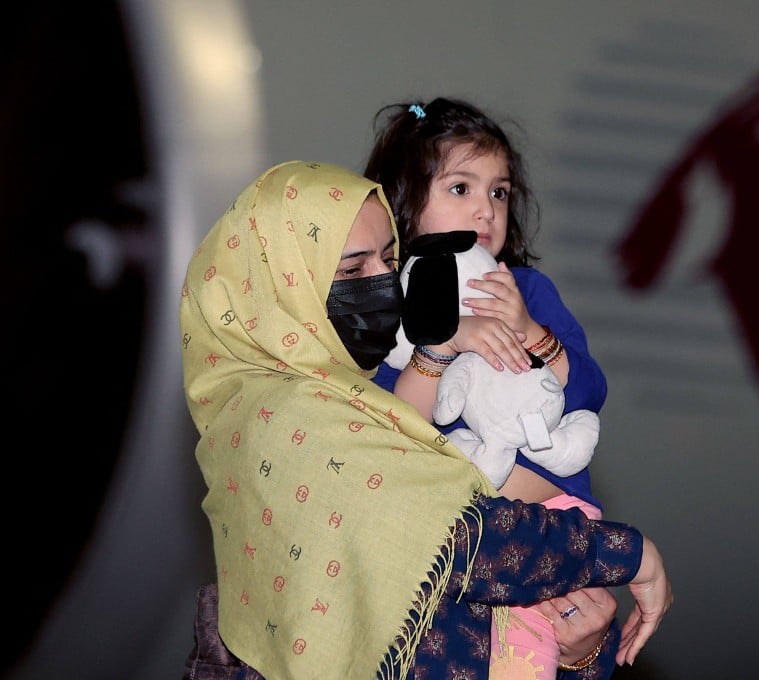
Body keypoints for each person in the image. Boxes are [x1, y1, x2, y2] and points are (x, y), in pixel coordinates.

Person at [179, 160, 672, 679]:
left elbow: (452, 629)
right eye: (352, 271)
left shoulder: (359, 399)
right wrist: (626, 553)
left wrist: (581, 656)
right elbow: (456, 539)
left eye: (388, 261)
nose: (382, 284)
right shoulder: (282, 416)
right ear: (280, 287)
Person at [365, 97, 611, 677]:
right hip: (446, 548)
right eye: (460, 189)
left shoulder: (524, 287)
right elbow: (395, 432)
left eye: (498, 192)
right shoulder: (386, 310)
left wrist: (534, 334)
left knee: (534, 653)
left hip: (552, 521)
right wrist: (441, 345)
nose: (485, 209)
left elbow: (589, 393)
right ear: (404, 202)